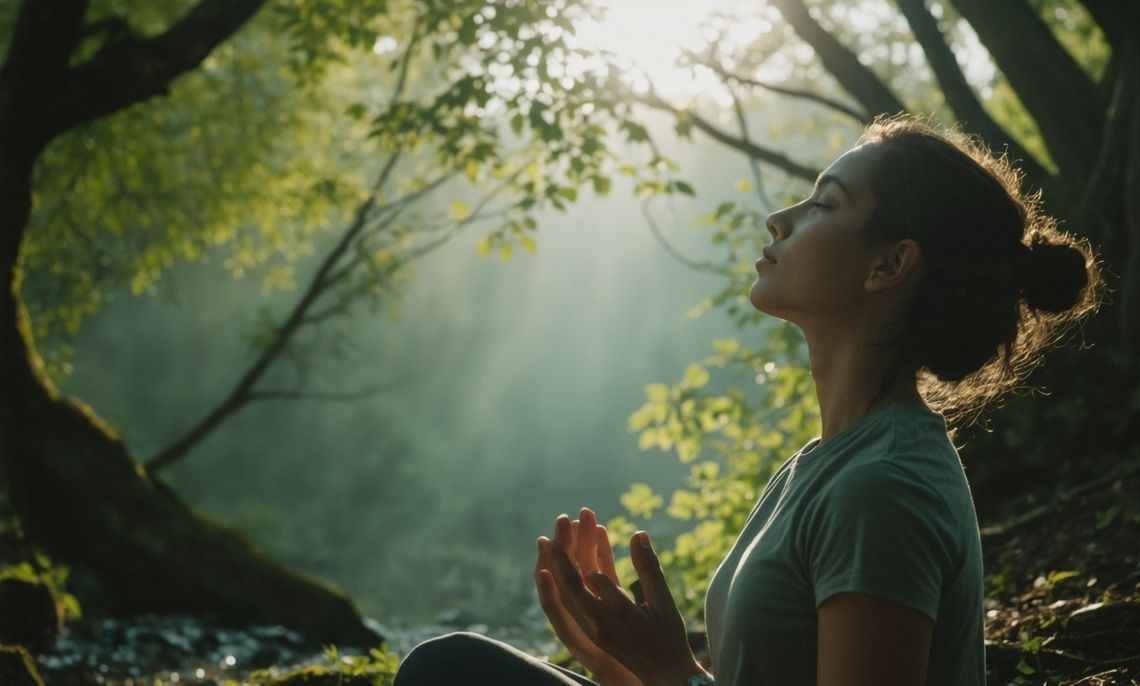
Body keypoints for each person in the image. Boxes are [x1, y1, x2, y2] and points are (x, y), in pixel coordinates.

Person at [391, 115, 1103, 686]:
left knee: (446, 672)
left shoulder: (885, 490)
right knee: (456, 668)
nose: (780, 218)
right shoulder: (820, 465)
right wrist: (628, 668)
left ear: (889, 264)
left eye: (823, 203)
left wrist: (673, 674)